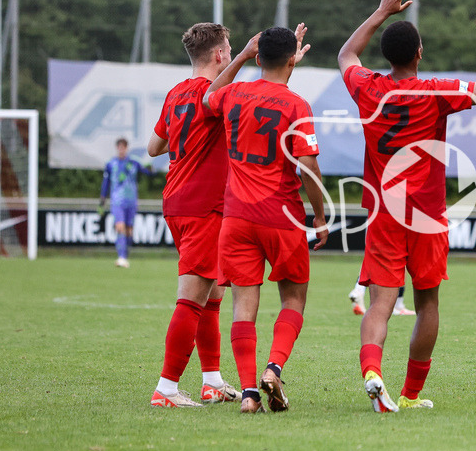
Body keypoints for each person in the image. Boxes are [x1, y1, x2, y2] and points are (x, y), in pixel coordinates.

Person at [337, 0, 476, 412]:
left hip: (383, 212)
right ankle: (411, 395)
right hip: (426, 215)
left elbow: (345, 54)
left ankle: (372, 371)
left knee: (381, 301)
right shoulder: (435, 93)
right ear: (420, 53)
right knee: (427, 301)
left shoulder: (367, 88)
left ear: (386, 55)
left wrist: (382, 11)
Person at [204, 24, 329, 414]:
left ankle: (248, 393)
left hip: (237, 217)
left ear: (258, 58)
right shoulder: (297, 105)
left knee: (244, 304)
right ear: (292, 60)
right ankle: (274, 368)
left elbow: (208, 96)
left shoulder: (234, 93)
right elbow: (307, 165)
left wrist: (240, 56)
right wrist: (321, 216)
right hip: (282, 216)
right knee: (294, 298)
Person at [145, 23, 250, 408]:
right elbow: (214, 99)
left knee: (213, 293)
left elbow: (154, 146)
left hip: (177, 201)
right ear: (220, 54)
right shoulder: (213, 94)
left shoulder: (176, 93)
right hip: (203, 206)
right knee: (191, 298)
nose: (232, 51)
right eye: (230, 48)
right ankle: (167, 389)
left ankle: (211, 381)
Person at [99, 138, 154, 268]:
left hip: (131, 200)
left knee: (129, 231)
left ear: (126, 148)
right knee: (120, 227)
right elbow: (106, 183)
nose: (121, 149)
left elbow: (148, 172)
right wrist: (102, 198)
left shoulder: (133, 162)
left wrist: (151, 169)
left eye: (123, 147)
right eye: (119, 147)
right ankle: (121, 257)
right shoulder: (111, 164)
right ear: (117, 148)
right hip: (117, 201)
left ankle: (125, 255)